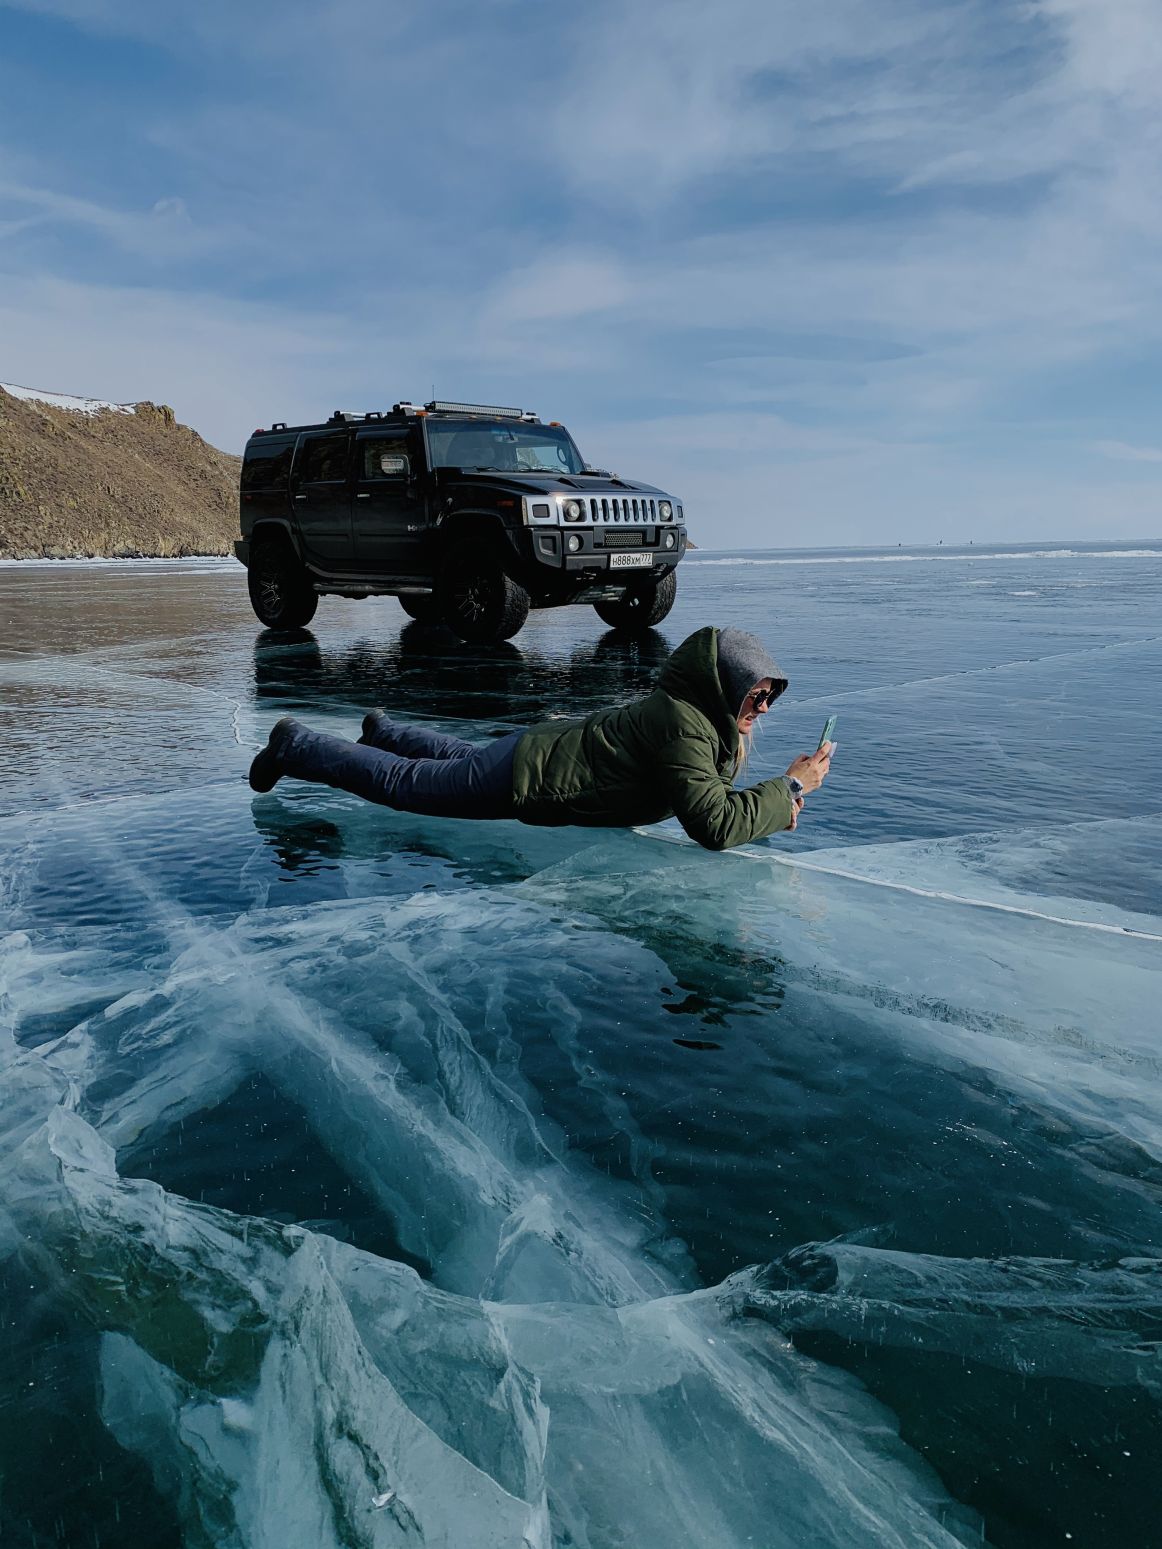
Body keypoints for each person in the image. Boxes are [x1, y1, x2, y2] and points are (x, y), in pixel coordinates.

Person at [248, 625, 834, 851]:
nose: (762, 706)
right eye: (754, 694)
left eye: (769, 696)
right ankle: (294, 744)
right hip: (534, 775)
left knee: (461, 760)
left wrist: (779, 802)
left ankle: (386, 730)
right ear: (718, 685)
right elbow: (712, 825)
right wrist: (788, 786)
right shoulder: (685, 724)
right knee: (408, 786)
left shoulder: (696, 718)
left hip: (540, 753)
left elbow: (708, 796)